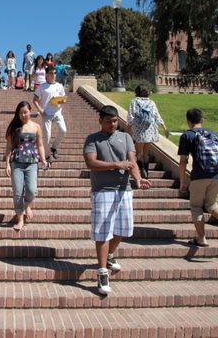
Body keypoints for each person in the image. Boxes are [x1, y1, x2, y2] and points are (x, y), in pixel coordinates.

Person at [83, 105, 150, 295]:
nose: (112, 124)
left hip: (124, 189)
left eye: (115, 121)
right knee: (103, 231)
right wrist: (116, 164)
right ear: (100, 121)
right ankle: (102, 272)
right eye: (108, 121)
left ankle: (110, 256)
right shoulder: (93, 139)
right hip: (103, 190)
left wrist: (137, 178)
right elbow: (91, 163)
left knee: (122, 229)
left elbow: (132, 162)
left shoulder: (126, 137)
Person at [178, 108, 218, 247]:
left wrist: (182, 181)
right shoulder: (213, 134)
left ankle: (201, 238)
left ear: (188, 121)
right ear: (202, 121)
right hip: (217, 175)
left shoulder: (187, 136)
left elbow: (183, 161)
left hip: (199, 176)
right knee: (212, 204)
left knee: (196, 207)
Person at [4, 101, 48, 231]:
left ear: (30, 112)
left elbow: (40, 145)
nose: (23, 115)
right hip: (16, 162)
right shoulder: (13, 128)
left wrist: (43, 160)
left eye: (25, 112)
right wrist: (7, 164)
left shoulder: (36, 127)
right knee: (17, 192)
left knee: (32, 190)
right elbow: (8, 147)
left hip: (32, 163)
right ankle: (20, 218)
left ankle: (27, 205)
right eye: (20, 113)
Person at [127, 84, 169, 178]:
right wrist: (164, 128)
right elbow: (157, 116)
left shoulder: (134, 102)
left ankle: (141, 170)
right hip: (150, 130)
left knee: (139, 153)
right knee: (146, 154)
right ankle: (146, 172)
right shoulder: (151, 103)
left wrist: (129, 129)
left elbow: (130, 117)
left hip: (138, 130)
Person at [33, 66, 67, 161]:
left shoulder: (59, 86)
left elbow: (63, 99)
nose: (53, 75)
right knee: (47, 135)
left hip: (57, 112)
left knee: (63, 130)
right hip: (46, 113)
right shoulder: (42, 86)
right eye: (51, 73)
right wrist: (40, 110)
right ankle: (47, 155)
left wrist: (59, 101)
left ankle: (54, 147)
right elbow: (35, 100)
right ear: (47, 74)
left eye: (55, 73)